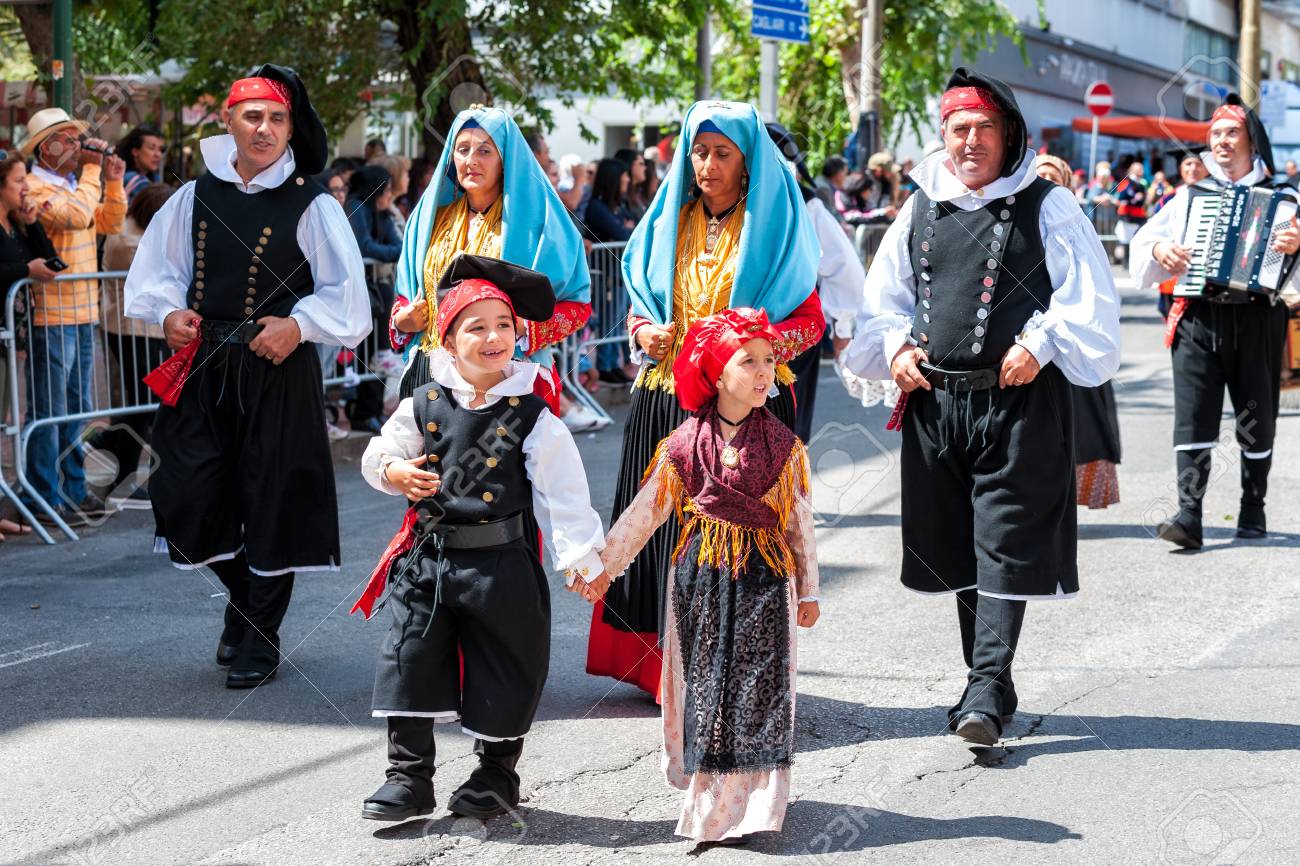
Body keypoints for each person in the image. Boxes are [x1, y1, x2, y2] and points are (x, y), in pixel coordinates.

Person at [843, 68, 1121, 746]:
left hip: (1019, 405)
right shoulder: (919, 209)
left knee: (1006, 539)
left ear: (1009, 135)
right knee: (963, 547)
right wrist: (897, 351)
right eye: (958, 129)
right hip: (937, 406)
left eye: (982, 129)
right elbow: (884, 304)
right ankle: (986, 678)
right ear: (944, 137)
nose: (969, 141)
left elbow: (1088, 298)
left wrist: (1044, 341)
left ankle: (988, 685)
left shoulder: (1047, 206)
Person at [124, 64, 371, 688]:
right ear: (229, 121)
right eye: (252, 116)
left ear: (291, 128)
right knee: (183, 492)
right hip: (204, 364)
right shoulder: (193, 196)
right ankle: (244, 602)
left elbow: (348, 297)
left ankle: (260, 631)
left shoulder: (313, 203)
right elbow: (157, 275)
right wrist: (170, 312)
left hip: (276, 369)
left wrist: (301, 324)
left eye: (277, 118)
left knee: (273, 498)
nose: (264, 129)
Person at [353, 254, 606, 822]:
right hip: (427, 559)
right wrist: (395, 473)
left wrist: (582, 559)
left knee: (505, 665)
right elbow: (380, 453)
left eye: (504, 325)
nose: (494, 337)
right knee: (409, 658)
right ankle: (408, 778)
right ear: (447, 337)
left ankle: (494, 774)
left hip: (501, 562)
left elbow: (562, 494)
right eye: (477, 326)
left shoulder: (534, 413)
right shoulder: (423, 403)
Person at [587, 100, 823, 698]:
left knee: (738, 537)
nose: (707, 164)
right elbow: (639, 302)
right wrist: (645, 332)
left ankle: (736, 666)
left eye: (722, 153)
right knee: (662, 532)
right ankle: (660, 666)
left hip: (748, 404)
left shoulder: (776, 230)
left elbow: (811, 320)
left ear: (748, 163)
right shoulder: (667, 222)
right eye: (699, 152)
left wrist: (756, 341)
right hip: (668, 397)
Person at [586, 308, 819, 844]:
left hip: (763, 582)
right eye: (748, 361)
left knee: (758, 690)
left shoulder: (785, 450)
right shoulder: (683, 447)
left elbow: (800, 525)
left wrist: (808, 589)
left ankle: (745, 804)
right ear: (714, 373)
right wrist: (603, 569)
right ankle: (710, 788)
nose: (764, 373)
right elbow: (645, 514)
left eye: (769, 361)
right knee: (704, 687)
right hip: (698, 581)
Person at [1129, 94, 1298, 548]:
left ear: (1252, 141)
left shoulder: (1285, 198)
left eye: (1230, 132)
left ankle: (1253, 508)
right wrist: (1160, 251)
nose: (1221, 141)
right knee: (1192, 414)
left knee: (1257, 414)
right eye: (1215, 134)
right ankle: (1189, 516)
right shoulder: (1190, 196)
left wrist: (1296, 247)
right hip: (1198, 316)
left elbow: (1293, 277)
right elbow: (1145, 243)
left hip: (1259, 317)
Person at [388, 106, 591, 414]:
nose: (471, 160)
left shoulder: (542, 225)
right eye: (463, 149)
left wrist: (524, 327)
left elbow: (577, 306)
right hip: (431, 374)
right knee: (426, 461)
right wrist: (403, 319)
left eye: (485, 150)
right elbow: (408, 293)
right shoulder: (428, 221)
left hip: (509, 376)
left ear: (505, 159)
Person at [21, 108, 127, 523]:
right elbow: (78, 216)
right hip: (53, 313)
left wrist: (113, 180)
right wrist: (93, 172)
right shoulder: (31, 187)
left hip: (83, 312)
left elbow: (107, 221)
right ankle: (43, 496)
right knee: (49, 410)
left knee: (77, 408)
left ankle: (74, 489)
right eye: (68, 138)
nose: (78, 145)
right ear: (46, 147)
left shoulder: (72, 183)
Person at [1035, 154, 1123, 509]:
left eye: (1053, 178)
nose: (1045, 183)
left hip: (1069, 341)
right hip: (1022, 345)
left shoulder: (1075, 225)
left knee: (1077, 427)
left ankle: (1064, 501)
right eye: (1039, 176)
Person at [98, 182, 175, 509]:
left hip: (144, 330)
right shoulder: (131, 242)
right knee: (143, 404)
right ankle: (123, 482)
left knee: (143, 403)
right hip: (132, 330)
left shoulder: (138, 233)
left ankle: (105, 443)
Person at [0, 150, 57, 539]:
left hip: (11, 335)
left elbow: (51, 263)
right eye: (19, 180)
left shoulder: (15, 225)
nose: (26, 187)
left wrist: (33, 223)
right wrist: (23, 271)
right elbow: (25, 269)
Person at [345, 164, 403, 433]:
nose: (390, 194)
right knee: (364, 355)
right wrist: (389, 252)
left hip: (376, 289)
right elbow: (364, 247)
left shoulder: (384, 214)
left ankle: (373, 410)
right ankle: (361, 411)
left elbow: (398, 246)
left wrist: (389, 252)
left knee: (373, 359)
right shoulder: (357, 208)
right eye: (386, 189)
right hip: (357, 291)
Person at [118, 123, 166, 203]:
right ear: (135, 151)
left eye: (161, 149)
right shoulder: (133, 180)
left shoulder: (153, 177)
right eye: (151, 148)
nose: (158, 154)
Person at [1113, 160, 1148, 264]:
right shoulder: (1126, 182)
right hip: (1127, 214)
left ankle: (1132, 262)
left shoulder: (1141, 184)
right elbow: (1121, 195)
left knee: (1136, 238)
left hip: (1138, 215)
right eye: (1138, 169)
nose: (1140, 171)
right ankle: (1126, 262)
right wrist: (1133, 197)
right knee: (1126, 238)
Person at [613, 147, 650, 220]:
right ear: (630, 165)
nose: (645, 168)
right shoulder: (620, 197)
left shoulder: (638, 194)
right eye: (641, 164)